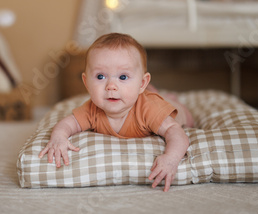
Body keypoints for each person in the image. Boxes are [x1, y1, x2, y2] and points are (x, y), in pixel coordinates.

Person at [39, 33, 194, 192]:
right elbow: (67, 123)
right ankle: (151, 90)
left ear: (142, 83)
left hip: (177, 110)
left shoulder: (149, 108)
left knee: (183, 116)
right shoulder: (92, 109)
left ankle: (163, 96)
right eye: (100, 76)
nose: (111, 86)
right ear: (86, 83)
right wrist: (59, 138)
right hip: (142, 94)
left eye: (123, 76)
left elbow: (175, 131)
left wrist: (171, 159)